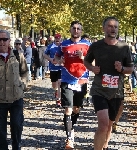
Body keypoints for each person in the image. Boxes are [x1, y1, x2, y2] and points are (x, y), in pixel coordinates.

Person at [84, 17, 133, 150]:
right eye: (110, 26)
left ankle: (104, 146)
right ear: (104, 28)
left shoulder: (124, 47)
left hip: (116, 92)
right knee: (103, 124)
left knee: (110, 124)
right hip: (99, 90)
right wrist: (92, 68)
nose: (113, 29)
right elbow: (86, 61)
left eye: (115, 27)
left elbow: (130, 69)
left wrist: (122, 69)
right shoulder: (96, 46)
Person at [55, 21, 90, 149]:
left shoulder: (87, 45)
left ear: (81, 31)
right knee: (68, 109)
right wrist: (60, 60)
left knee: (76, 109)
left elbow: (94, 62)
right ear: (70, 30)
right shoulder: (63, 44)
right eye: (74, 28)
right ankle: (69, 138)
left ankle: (71, 128)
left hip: (81, 81)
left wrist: (83, 58)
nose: (76, 30)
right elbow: (56, 59)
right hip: (67, 80)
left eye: (78, 29)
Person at [0, 29, 28, 150]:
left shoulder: (18, 55)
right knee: (0, 130)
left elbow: (24, 72)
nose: (2, 42)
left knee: (17, 125)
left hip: (16, 98)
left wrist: (23, 85)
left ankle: (16, 147)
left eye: (4, 39)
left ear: (9, 41)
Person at [43, 33, 62, 107]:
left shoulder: (62, 46)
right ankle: (56, 91)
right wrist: (50, 59)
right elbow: (44, 55)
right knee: (55, 85)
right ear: (54, 38)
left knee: (60, 83)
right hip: (53, 68)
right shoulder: (50, 46)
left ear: (61, 38)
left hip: (61, 68)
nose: (57, 39)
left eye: (59, 38)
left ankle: (58, 100)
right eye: (56, 38)